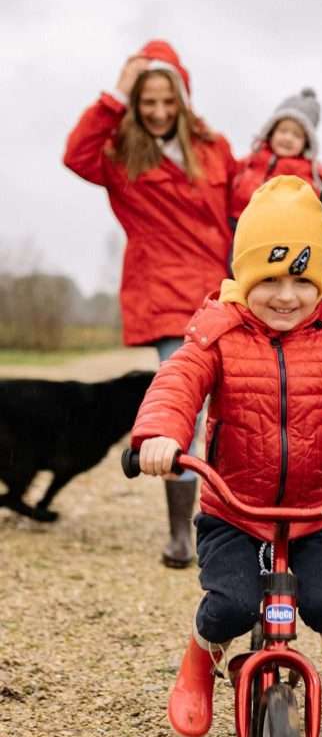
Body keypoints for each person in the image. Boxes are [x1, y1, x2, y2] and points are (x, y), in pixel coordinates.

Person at [129, 176, 322, 737]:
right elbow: (178, 383)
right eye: (269, 279)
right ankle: (200, 658)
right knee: (230, 605)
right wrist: (161, 436)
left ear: (320, 281)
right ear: (244, 277)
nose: (286, 296)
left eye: (301, 279)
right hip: (234, 511)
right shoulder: (218, 330)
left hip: (319, 511)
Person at [64, 40, 237, 569]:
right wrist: (116, 93)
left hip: (222, 289)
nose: (158, 112)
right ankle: (181, 534)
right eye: (147, 102)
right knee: (186, 405)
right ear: (136, 105)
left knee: (234, 409)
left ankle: (232, 522)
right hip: (166, 296)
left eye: (167, 101)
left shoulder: (215, 149)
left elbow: (239, 213)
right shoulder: (120, 156)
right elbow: (75, 154)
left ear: (182, 101)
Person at [230, 87, 322, 223]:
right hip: (236, 228)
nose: (288, 138)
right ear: (271, 132)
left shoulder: (311, 176)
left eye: (297, 135)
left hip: (276, 236)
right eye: (283, 130)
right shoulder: (250, 161)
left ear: (306, 143)